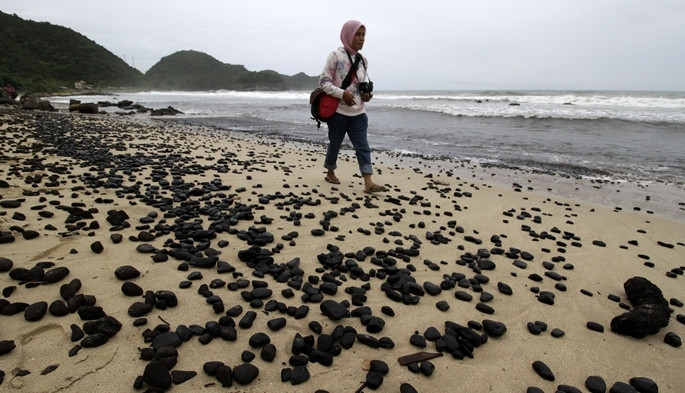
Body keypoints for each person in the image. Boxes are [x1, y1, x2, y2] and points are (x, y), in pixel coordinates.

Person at [319, 20, 386, 194]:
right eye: (358, 34)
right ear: (348, 35)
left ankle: (368, 182)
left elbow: (360, 85)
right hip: (339, 112)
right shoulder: (335, 56)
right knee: (335, 144)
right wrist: (342, 94)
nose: (361, 39)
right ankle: (330, 171)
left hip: (359, 113)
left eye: (363, 35)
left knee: (363, 146)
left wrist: (366, 95)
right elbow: (323, 82)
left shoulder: (363, 60)